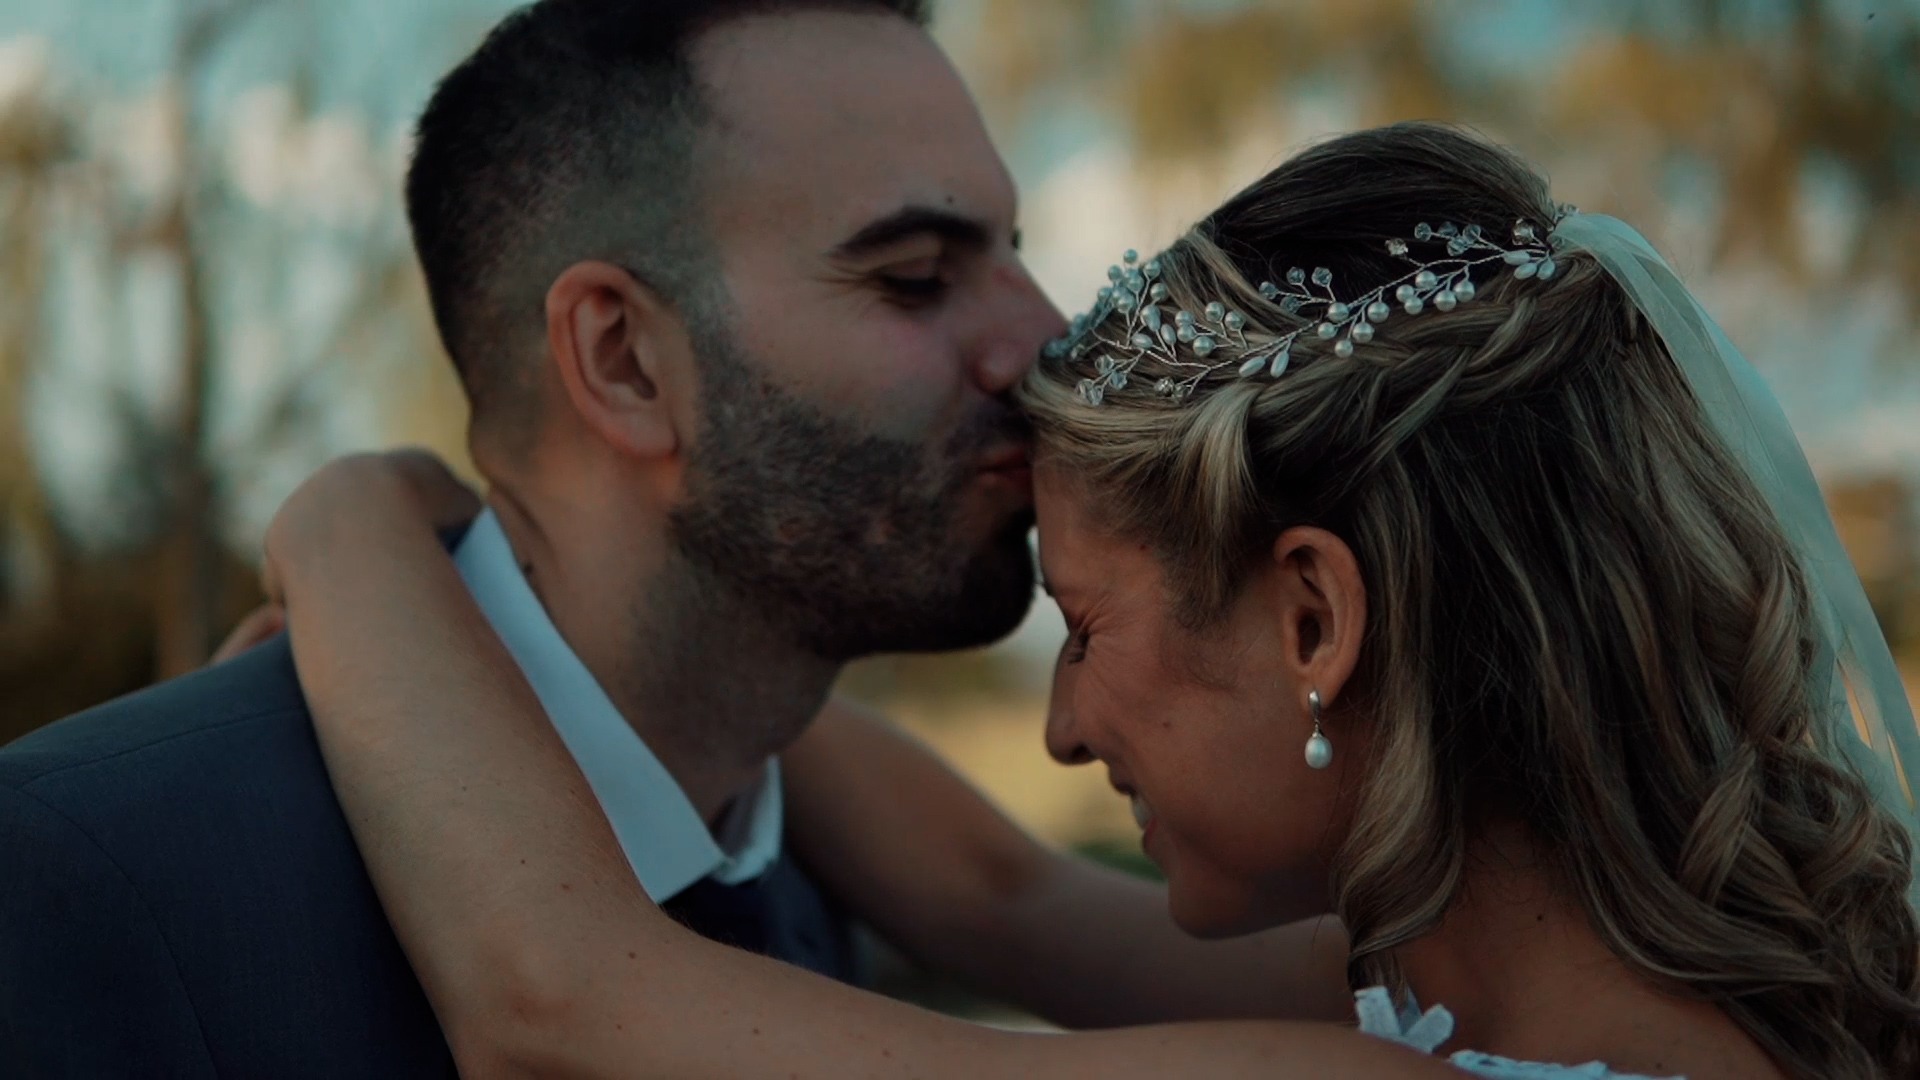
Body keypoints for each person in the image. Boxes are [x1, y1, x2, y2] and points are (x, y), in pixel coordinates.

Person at [260, 123, 1920, 1079]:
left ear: (1316, 623)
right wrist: (596, 574)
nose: (1057, 731)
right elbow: (997, 890)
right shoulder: (1567, 981)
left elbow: (558, 999)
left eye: (1088, 629)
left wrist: (357, 520)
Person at [0, 1, 1148, 1073]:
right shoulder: (76, 877)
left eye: (1013, 254)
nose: (1047, 341)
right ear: (622, 361)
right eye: (915, 278)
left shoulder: (819, 877)